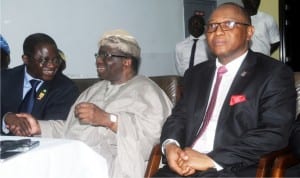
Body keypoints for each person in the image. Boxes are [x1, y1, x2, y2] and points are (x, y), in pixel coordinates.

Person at [154, 2, 296, 177]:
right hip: (185, 165)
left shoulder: (273, 73)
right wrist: (170, 145)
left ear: (249, 32)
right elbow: (178, 117)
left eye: (228, 24)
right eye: (212, 26)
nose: (218, 31)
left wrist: (211, 160)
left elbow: (274, 132)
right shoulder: (195, 74)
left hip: (234, 168)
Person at [15, 29, 173, 178]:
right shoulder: (93, 91)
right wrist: (39, 127)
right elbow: (70, 129)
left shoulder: (148, 92)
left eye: (107, 55)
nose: (98, 60)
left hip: (114, 168)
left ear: (127, 62)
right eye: (98, 54)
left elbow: (154, 142)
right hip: (76, 164)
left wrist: (108, 120)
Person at [1, 33, 79, 135]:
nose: (51, 65)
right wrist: (6, 119)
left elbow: (54, 128)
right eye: (43, 60)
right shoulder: (4, 79)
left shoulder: (66, 88)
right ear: (26, 59)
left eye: (55, 60)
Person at [175, 10, 211, 76]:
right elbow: (179, 66)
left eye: (198, 23)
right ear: (188, 26)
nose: (195, 26)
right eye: (192, 24)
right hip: (186, 80)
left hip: (204, 79)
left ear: (204, 26)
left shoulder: (210, 44)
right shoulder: (180, 46)